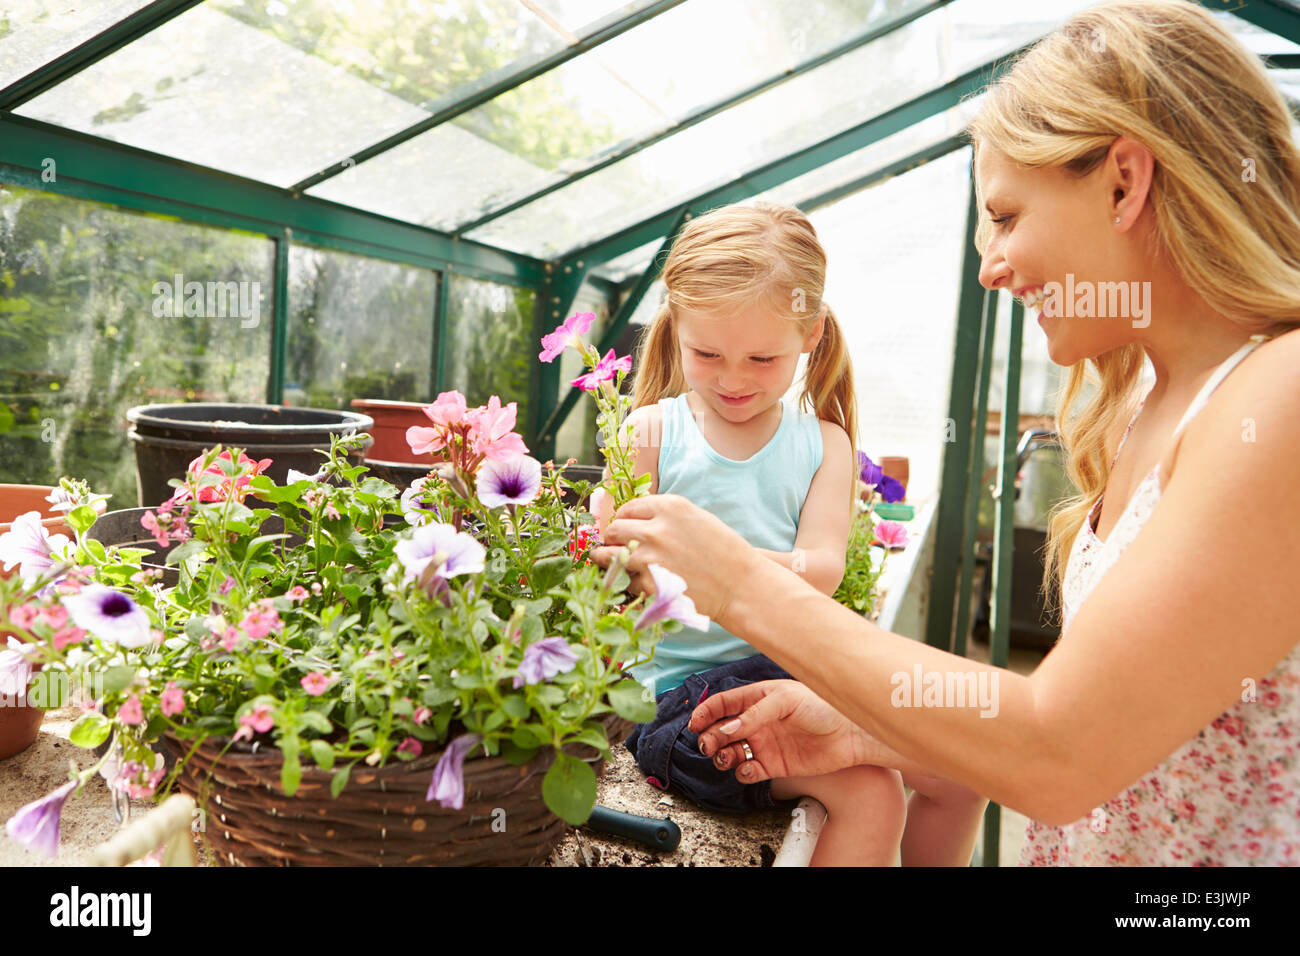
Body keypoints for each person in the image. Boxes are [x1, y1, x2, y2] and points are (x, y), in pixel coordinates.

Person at [593, 0, 1300, 866]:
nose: (990, 263)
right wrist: (871, 733)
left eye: (1005, 215)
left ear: (1124, 181)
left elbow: (1060, 751)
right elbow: (1130, 736)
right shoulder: (1168, 400)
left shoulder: (1282, 395)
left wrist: (737, 580)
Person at [590, 202, 986, 866]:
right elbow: (608, 558)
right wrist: (626, 555)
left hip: (799, 678)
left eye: (762, 357)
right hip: (679, 702)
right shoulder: (651, 432)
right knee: (875, 797)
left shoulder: (823, 445)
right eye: (706, 353)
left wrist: (716, 562)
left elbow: (824, 566)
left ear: (811, 335)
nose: (734, 378)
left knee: (959, 770)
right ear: (674, 329)